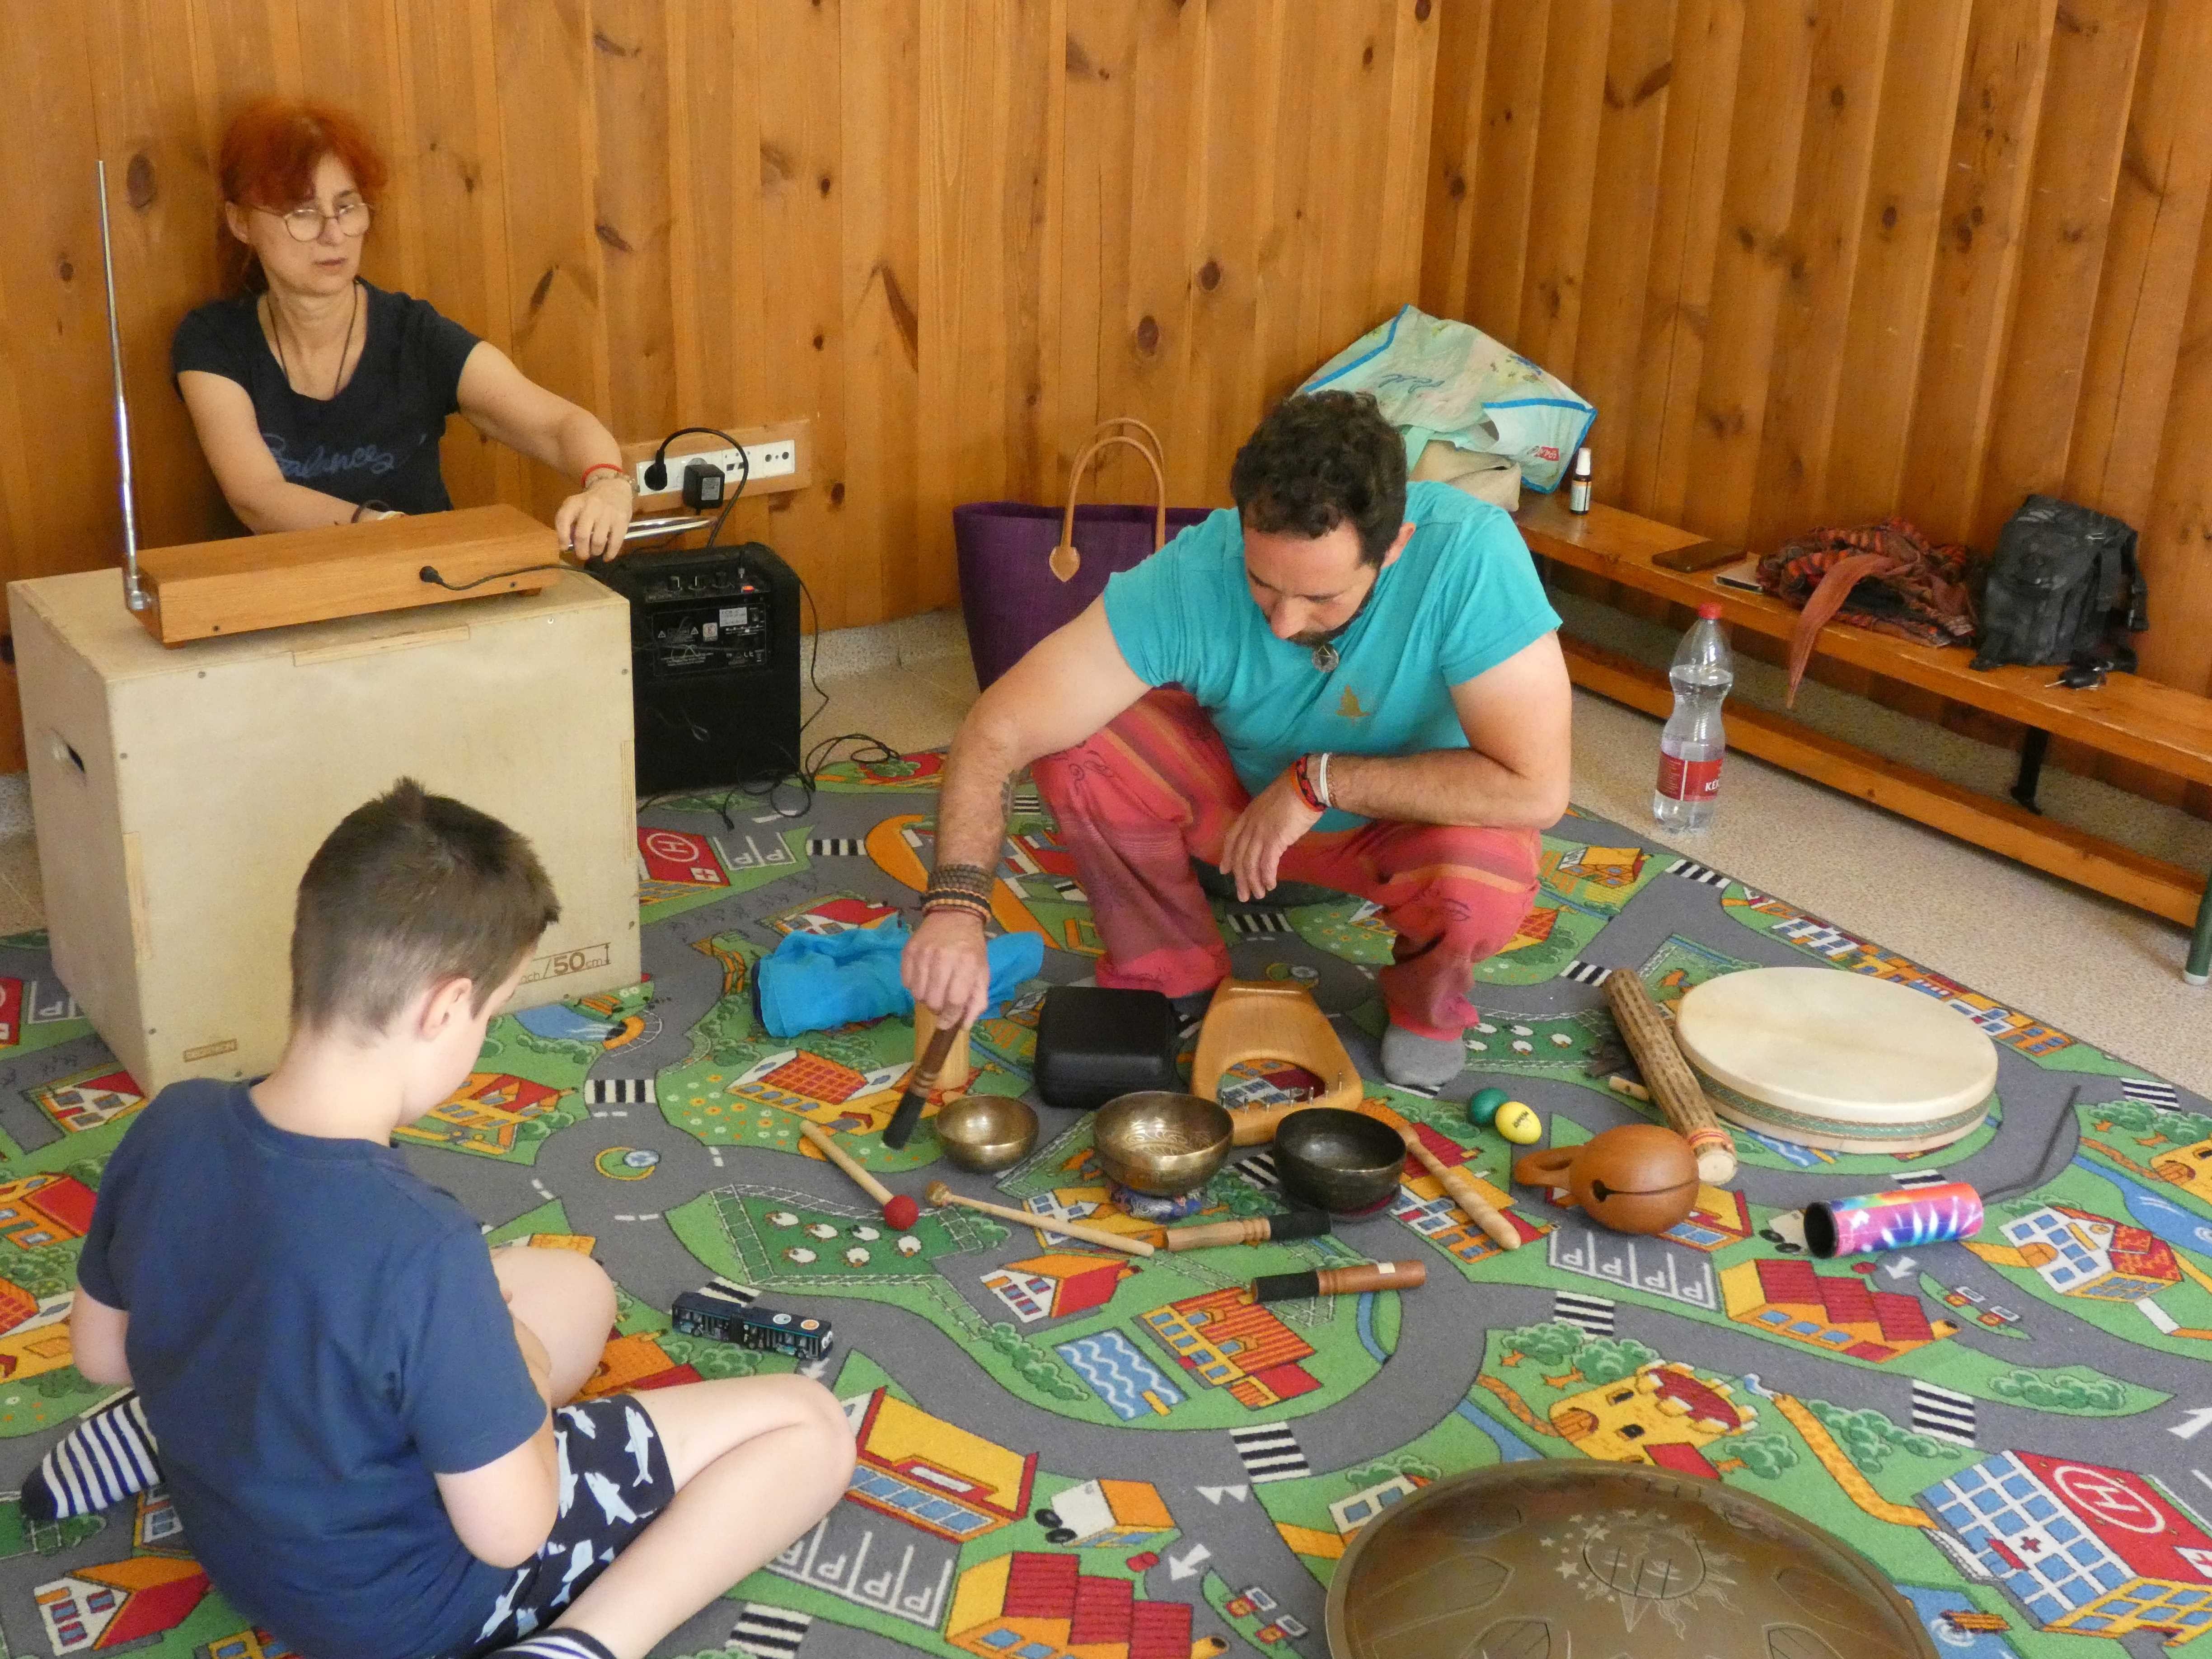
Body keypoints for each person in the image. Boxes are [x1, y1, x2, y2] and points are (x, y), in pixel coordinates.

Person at [63, 781, 854, 1659]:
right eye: (488, 1011)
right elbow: (512, 1532)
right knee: (808, 1426)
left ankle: (190, 1415)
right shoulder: (421, 1245)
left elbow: (101, 1352)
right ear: (444, 1009)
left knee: (576, 1286)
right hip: (407, 1610)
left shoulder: (173, 1121)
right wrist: (517, 1371)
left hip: (236, 1532)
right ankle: (589, 1644)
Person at [902, 390, 1571, 1090]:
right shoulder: (1195, 570)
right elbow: (1000, 728)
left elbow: (1537, 788)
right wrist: (956, 908)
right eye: (1262, 583)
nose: (1284, 623)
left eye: (1322, 599)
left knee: (1487, 878)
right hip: (1241, 832)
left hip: (1402, 832)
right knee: (1079, 749)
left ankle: (1424, 1002)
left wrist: (1320, 782)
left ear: (1395, 546)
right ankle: (1171, 966)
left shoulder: (1470, 555)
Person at [174, 98, 637, 558]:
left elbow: (558, 425)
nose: (334, 235)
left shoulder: (412, 333)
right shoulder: (214, 341)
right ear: (241, 222)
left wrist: (607, 483)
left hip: (428, 583)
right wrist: (382, 529)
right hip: (293, 592)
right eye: (303, 212)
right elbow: (256, 496)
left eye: (347, 207)